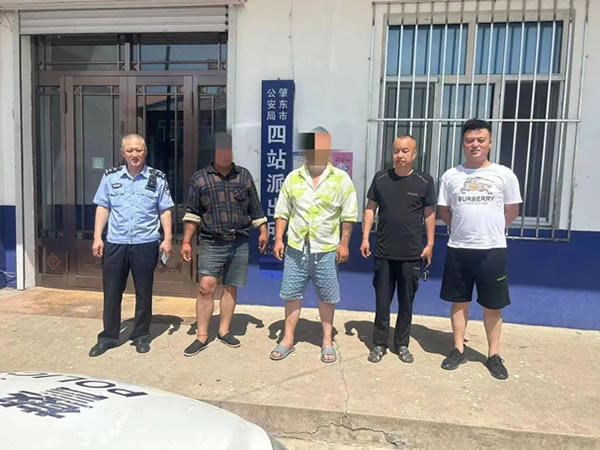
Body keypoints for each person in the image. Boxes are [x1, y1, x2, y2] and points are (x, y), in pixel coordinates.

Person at [437, 119, 522, 380]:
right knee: (459, 302)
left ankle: (493, 355)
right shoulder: (451, 176)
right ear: (463, 143)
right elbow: (444, 210)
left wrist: (491, 229)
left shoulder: (504, 174)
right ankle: (458, 349)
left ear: (489, 143)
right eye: (469, 140)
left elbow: (512, 210)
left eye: (480, 140)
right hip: (459, 248)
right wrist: (460, 228)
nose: (475, 144)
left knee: (492, 305)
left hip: (492, 250)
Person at [270, 129, 358, 363]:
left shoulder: (341, 179)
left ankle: (327, 341)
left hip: (326, 249)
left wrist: (344, 243)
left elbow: (348, 215)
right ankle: (287, 339)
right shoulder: (293, 178)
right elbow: (282, 211)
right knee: (291, 295)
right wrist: (278, 239)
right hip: (296, 248)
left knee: (327, 298)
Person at [181, 133, 268, 357]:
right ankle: (202, 335)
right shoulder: (200, 178)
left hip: (239, 241)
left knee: (231, 286)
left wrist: (263, 231)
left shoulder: (243, 176)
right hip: (211, 241)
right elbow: (192, 213)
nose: (226, 154)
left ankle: (224, 330)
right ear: (214, 152)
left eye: (229, 150)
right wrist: (186, 241)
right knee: (206, 286)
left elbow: (255, 208)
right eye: (221, 150)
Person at [89, 134, 174, 357]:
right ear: (122, 153)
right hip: (116, 243)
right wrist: (97, 237)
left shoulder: (157, 178)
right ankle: (108, 337)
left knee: (144, 293)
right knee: (111, 292)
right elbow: (103, 207)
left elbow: (165, 209)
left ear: (145, 152)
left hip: (145, 243)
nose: (134, 154)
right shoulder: (110, 177)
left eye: (139, 150)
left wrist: (167, 238)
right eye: (130, 150)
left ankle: (141, 335)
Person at [360, 136, 436, 364]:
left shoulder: (424, 181)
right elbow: (370, 209)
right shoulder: (381, 178)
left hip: (411, 253)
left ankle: (402, 344)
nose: (400, 155)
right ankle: (379, 344)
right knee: (382, 302)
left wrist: (430, 244)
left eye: (405, 151)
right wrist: (365, 237)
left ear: (414, 154)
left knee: (406, 302)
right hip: (384, 252)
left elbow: (429, 214)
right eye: (396, 151)